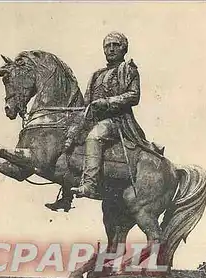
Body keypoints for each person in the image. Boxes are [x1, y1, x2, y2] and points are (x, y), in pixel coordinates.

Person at [46, 31, 162, 210]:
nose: (111, 49)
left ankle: (90, 184)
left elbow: (133, 96)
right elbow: (86, 102)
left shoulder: (128, 69)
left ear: (124, 48)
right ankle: (66, 196)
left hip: (117, 121)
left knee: (94, 136)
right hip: (94, 119)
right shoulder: (97, 74)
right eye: (108, 46)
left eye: (116, 45)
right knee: (68, 140)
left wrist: (107, 102)